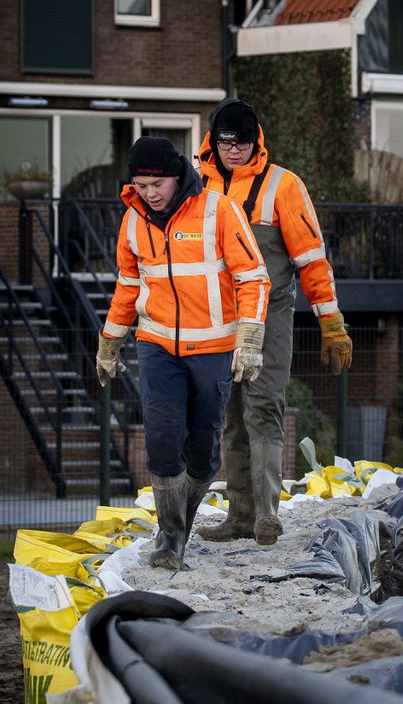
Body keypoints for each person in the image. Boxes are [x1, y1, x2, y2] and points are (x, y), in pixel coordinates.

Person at [96, 136, 270, 570]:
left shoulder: (219, 211)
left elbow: (254, 277)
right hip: (157, 346)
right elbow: (128, 286)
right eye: (140, 184)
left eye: (157, 184)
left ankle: (183, 522)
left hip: (212, 347)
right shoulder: (133, 221)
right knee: (161, 435)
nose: (149, 193)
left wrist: (248, 339)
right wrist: (110, 340)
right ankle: (169, 535)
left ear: (177, 177)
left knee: (202, 444)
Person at [195, 99, 352, 546]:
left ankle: (266, 513)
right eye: (226, 144)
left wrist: (331, 321)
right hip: (216, 317)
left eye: (242, 144)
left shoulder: (284, 185)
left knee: (263, 406)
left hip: (270, 311)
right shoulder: (197, 186)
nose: (234, 152)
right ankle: (239, 516)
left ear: (256, 141)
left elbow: (312, 259)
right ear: (214, 142)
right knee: (229, 416)